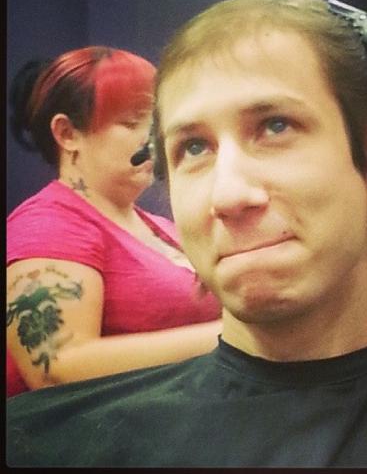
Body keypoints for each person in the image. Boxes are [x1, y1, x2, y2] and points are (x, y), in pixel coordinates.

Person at [6, 0, 367, 468]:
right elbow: (55, 363)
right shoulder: (42, 443)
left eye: (275, 126)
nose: (227, 196)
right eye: (193, 147)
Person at [6, 46, 221, 397]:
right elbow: (55, 367)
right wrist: (232, 337)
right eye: (132, 123)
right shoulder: (47, 224)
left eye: (155, 124)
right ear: (67, 134)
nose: (154, 140)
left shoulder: (162, 227)